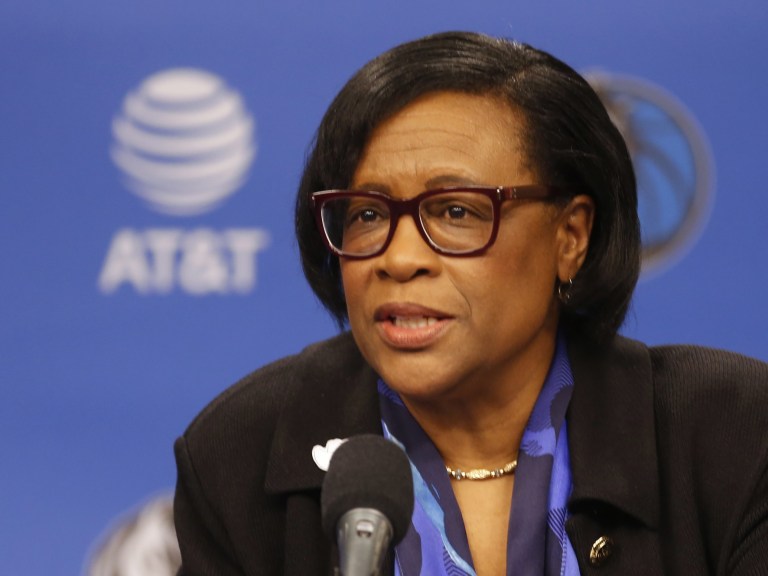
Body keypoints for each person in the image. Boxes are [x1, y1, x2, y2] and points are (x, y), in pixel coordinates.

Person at [172, 31, 768, 575]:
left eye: (455, 211)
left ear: (570, 238)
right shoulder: (241, 454)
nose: (399, 258)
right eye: (368, 214)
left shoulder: (733, 435)